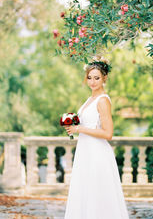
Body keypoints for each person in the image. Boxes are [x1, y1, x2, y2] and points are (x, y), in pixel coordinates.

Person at [64, 57, 130, 219]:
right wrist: (74, 125)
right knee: (86, 192)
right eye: (89, 77)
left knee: (98, 194)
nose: (92, 82)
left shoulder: (103, 101)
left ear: (104, 78)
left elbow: (108, 133)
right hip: (85, 151)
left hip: (97, 153)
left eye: (97, 78)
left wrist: (80, 128)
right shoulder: (90, 99)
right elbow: (91, 123)